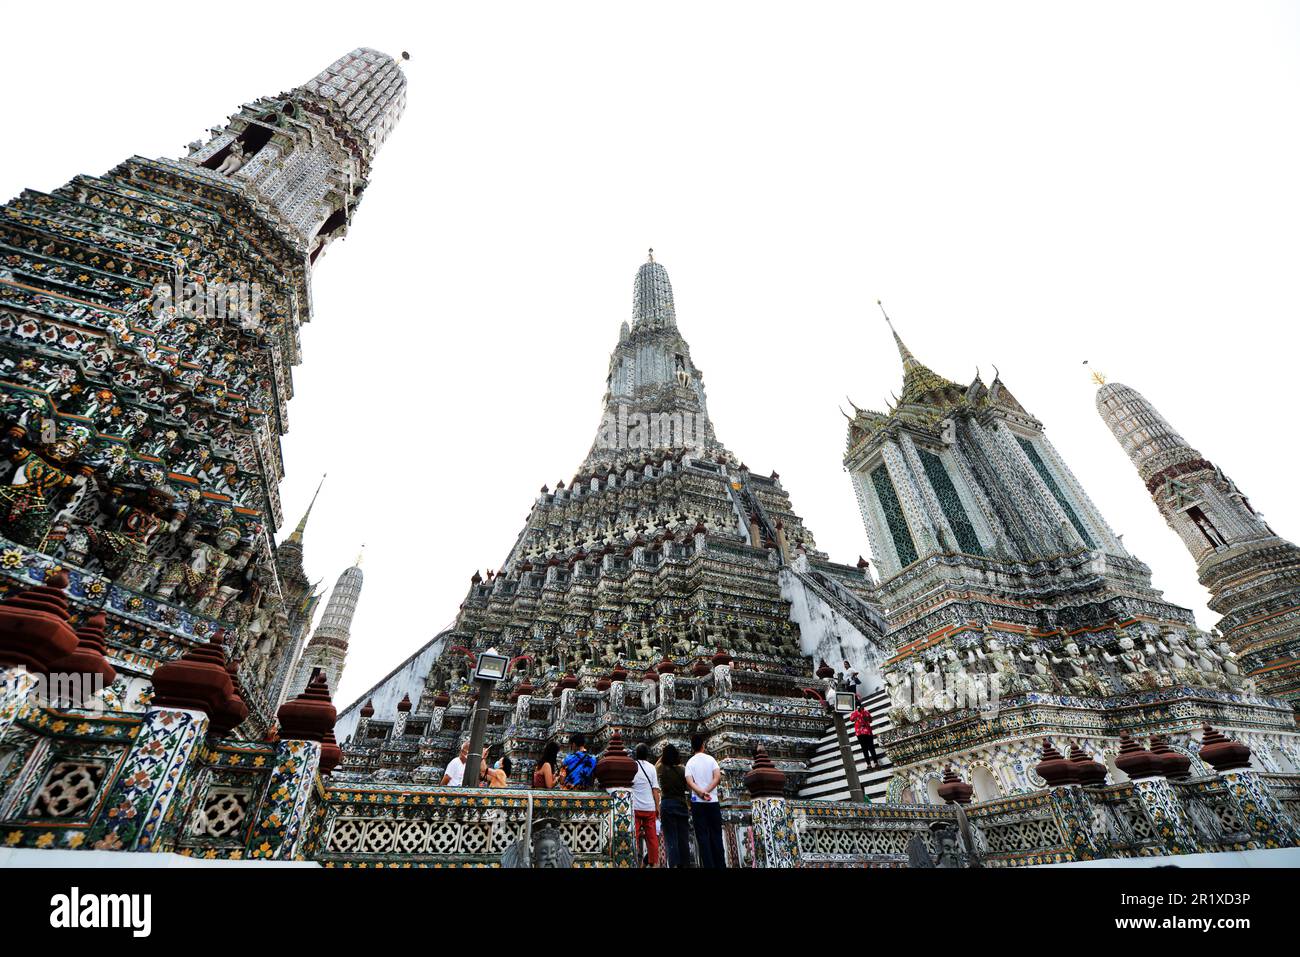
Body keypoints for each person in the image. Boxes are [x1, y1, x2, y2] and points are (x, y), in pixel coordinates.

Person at [685, 733, 725, 868]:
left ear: (692, 747)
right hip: (712, 801)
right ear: (703, 745)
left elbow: (690, 782)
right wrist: (707, 791)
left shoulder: (690, 762)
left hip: (697, 802)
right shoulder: (711, 759)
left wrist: (701, 792)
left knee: (702, 837)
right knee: (716, 835)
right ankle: (720, 865)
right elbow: (717, 778)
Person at [656, 743, 692, 867]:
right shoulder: (682, 769)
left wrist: (663, 756)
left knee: (671, 839)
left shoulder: (661, 769)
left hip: (667, 805)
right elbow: (689, 785)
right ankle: (685, 865)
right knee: (683, 839)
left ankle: (674, 865)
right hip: (681, 804)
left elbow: (656, 766)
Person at [631, 743, 660, 867]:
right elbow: (655, 790)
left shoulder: (632, 767)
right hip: (649, 808)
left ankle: (633, 860)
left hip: (635, 807)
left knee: (634, 836)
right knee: (652, 838)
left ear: (636, 754)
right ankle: (653, 863)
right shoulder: (652, 767)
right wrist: (657, 807)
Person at [851, 699, 880, 769]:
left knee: (864, 749)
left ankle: (869, 764)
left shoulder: (854, 713)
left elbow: (851, 719)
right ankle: (876, 763)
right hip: (867, 732)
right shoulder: (866, 712)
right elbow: (870, 720)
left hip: (860, 733)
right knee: (871, 747)